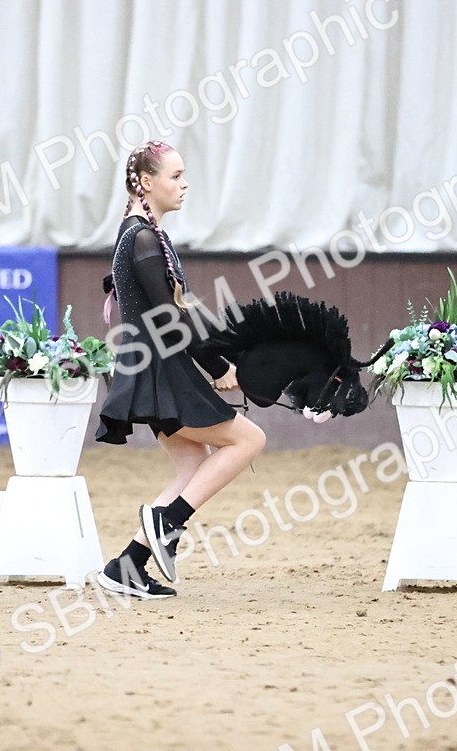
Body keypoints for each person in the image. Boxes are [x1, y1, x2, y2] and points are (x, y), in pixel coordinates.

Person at [93, 140, 267, 599]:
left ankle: (127, 566)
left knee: (193, 463)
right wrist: (216, 364)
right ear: (146, 183)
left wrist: (218, 352)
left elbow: (171, 308)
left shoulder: (143, 235)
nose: (185, 184)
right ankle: (168, 522)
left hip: (151, 364)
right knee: (250, 439)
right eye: (175, 176)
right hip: (160, 369)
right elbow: (166, 318)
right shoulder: (144, 237)